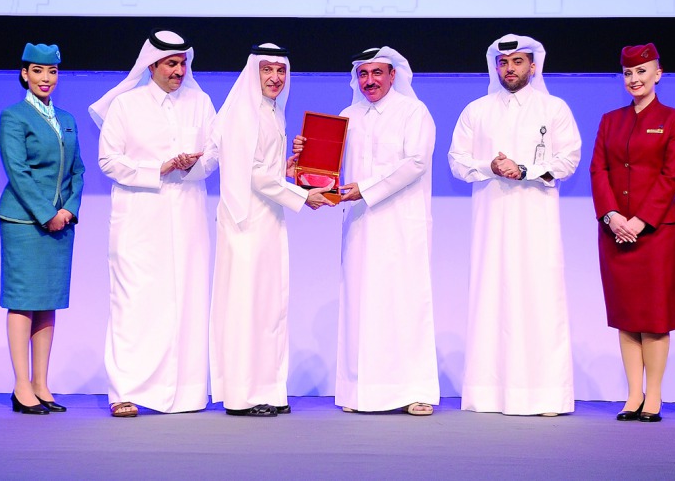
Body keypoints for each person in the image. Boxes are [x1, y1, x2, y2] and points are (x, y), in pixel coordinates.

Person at [294, 46, 439, 416]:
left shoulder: (413, 112)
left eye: (377, 73)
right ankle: (362, 392)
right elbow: (329, 170)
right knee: (362, 304)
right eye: (363, 74)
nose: (370, 81)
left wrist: (367, 189)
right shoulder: (348, 115)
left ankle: (415, 390)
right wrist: (304, 162)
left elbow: (417, 162)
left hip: (401, 224)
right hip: (359, 224)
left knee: (405, 303)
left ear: (393, 75)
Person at [448, 34, 582, 416]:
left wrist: (524, 170)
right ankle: (488, 394)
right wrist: (487, 166)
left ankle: (545, 396)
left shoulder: (553, 108)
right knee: (491, 298)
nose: (510, 69)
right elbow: (456, 161)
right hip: (491, 222)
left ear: (533, 66)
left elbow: (568, 159)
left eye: (518, 62)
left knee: (539, 298)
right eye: (503, 63)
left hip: (536, 221)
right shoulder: (477, 110)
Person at [90, 30, 217, 417]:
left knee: (187, 301)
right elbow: (108, 160)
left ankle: (186, 393)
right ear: (152, 66)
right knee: (136, 304)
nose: (179, 71)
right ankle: (124, 391)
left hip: (189, 218)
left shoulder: (201, 101)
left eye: (183, 64)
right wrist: (158, 167)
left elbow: (216, 153)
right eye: (171, 64)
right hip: (140, 221)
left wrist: (195, 164)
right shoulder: (126, 105)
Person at [211, 43, 334, 417]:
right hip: (245, 223)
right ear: (253, 73)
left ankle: (267, 391)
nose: (275, 78)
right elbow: (251, 175)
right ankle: (242, 396)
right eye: (267, 70)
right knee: (246, 307)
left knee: (268, 308)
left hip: (267, 220)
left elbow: (268, 168)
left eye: (281, 71)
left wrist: (292, 162)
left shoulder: (272, 113)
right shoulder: (242, 114)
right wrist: (301, 195)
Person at [589, 43, 675, 423]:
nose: (635, 79)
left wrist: (641, 220)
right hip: (615, 231)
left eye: (642, 72)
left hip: (656, 232)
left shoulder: (674, 118)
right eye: (629, 73)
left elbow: (671, 175)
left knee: (654, 316)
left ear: (658, 74)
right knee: (627, 315)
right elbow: (599, 171)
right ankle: (633, 394)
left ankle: (655, 396)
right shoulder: (610, 120)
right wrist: (612, 216)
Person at [0, 43, 86, 414]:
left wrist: (68, 208)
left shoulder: (65, 117)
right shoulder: (13, 116)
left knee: (47, 301)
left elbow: (78, 169)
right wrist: (46, 212)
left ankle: (41, 383)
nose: (45, 78)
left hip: (60, 223)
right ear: (24, 74)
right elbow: (17, 171)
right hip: (24, 220)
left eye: (51, 71)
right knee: (23, 299)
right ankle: (21, 385)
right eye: (38, 71)